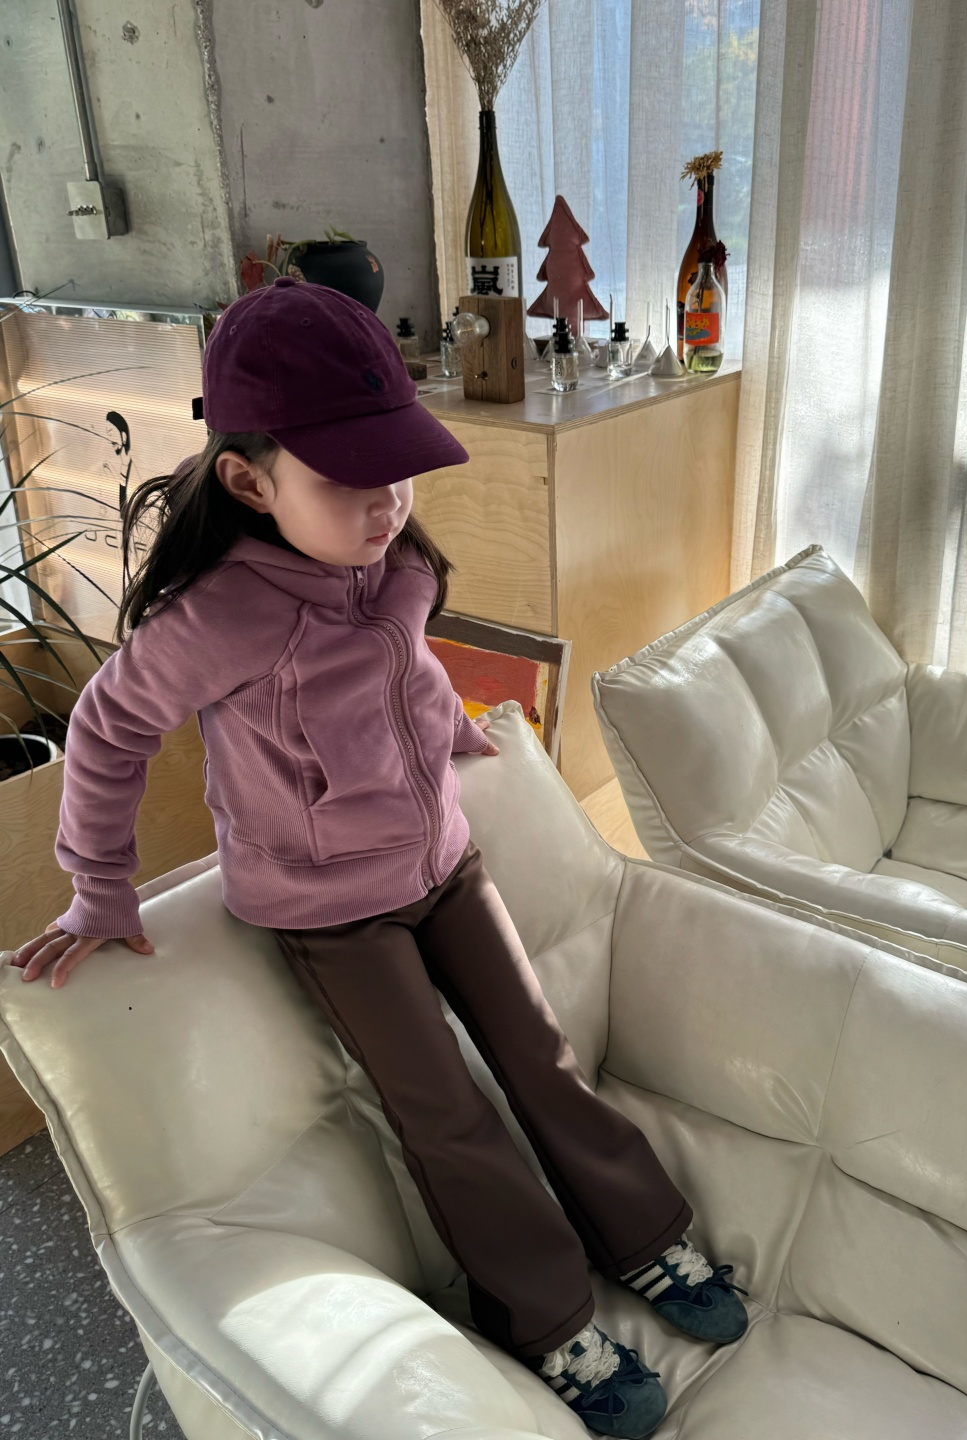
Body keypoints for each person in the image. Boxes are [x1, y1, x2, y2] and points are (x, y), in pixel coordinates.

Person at [12, 279, 747, 1439]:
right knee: (447, 1113)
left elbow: (403, 666)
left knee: (540, 1052)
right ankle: (549, 1318)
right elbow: (104, 731)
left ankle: (645, 1236)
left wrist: (455, 735)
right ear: (249, 482)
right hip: (329, 913)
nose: (388, 505)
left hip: (445, 863)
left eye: (398, 471)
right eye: (351, 483)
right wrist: (99, 886)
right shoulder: (220, 619)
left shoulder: (391, 558)